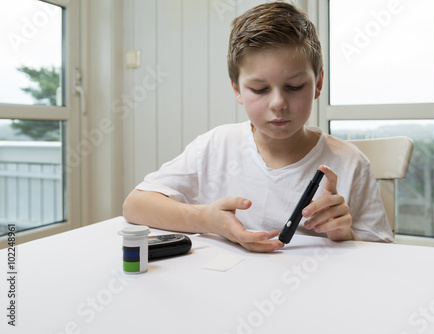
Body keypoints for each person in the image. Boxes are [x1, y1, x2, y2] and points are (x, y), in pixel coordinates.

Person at [123, 2, 394, 253]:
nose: (278, 103)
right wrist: (207, 219)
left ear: (318, 84)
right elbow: (135, 205)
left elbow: (384, 256)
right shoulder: (217, 146)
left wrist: (345, 235)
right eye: (260, 89)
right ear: (237, 89)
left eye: (294, 86)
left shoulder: (350, 164)